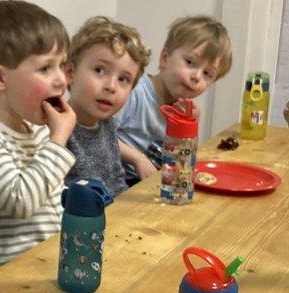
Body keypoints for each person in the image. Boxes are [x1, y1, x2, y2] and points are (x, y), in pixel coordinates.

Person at [0, 0, 77, 275]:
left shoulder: (37, 128)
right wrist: (58, 139)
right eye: (45, 68)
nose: (61, 81)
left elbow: (50, 203)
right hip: (9, 278)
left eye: (62, 65)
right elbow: (20, 202)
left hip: (51, 263)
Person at [114, 15, 232, 183]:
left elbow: (180, 165)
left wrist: (188, 132)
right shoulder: (135, 91)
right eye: (190, 62)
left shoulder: (183, 111)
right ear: (164, 58)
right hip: (118, 187)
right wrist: (137, 158)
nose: (196, 76)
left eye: (207, 73)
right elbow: (99, 136)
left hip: (154, 186)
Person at [65, 16, 150, 196]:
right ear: (70, 73)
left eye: (123, 79)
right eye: (99, 70)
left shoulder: (108, 124)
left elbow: (116, 182)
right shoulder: (57, 128)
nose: (111, 86)